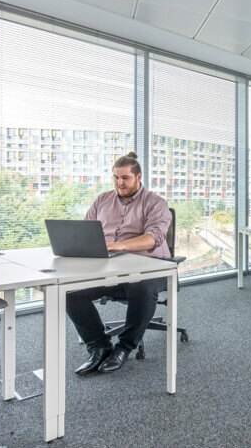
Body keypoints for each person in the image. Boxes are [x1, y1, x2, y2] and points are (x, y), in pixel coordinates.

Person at [66, 152, 172, 375]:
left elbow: (153, 238)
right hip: (111, 266)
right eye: (115, 177)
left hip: (151, 266)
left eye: (125, 178)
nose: (119, 183)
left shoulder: (156, 203)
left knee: (141, 287)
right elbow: (86, 232)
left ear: (138, 177)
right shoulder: (102, 200)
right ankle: (99, 345)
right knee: (71, 291)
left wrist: (115, 246)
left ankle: (124, 347)